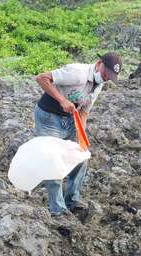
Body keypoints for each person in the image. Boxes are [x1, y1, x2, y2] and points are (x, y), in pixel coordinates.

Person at [34, 52, 122, 217]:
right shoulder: (77, 73)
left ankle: (72, 201)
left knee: (81, 157)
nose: (105, 78)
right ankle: (57, 210)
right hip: (48, 117)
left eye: (109, 77)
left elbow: (83, 113)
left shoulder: (98, 85)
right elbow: (41, 78)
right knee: (53, 161)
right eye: (105, 73)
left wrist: (82, 138)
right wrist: (62, 100)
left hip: (69, 120)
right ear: (98, 64)